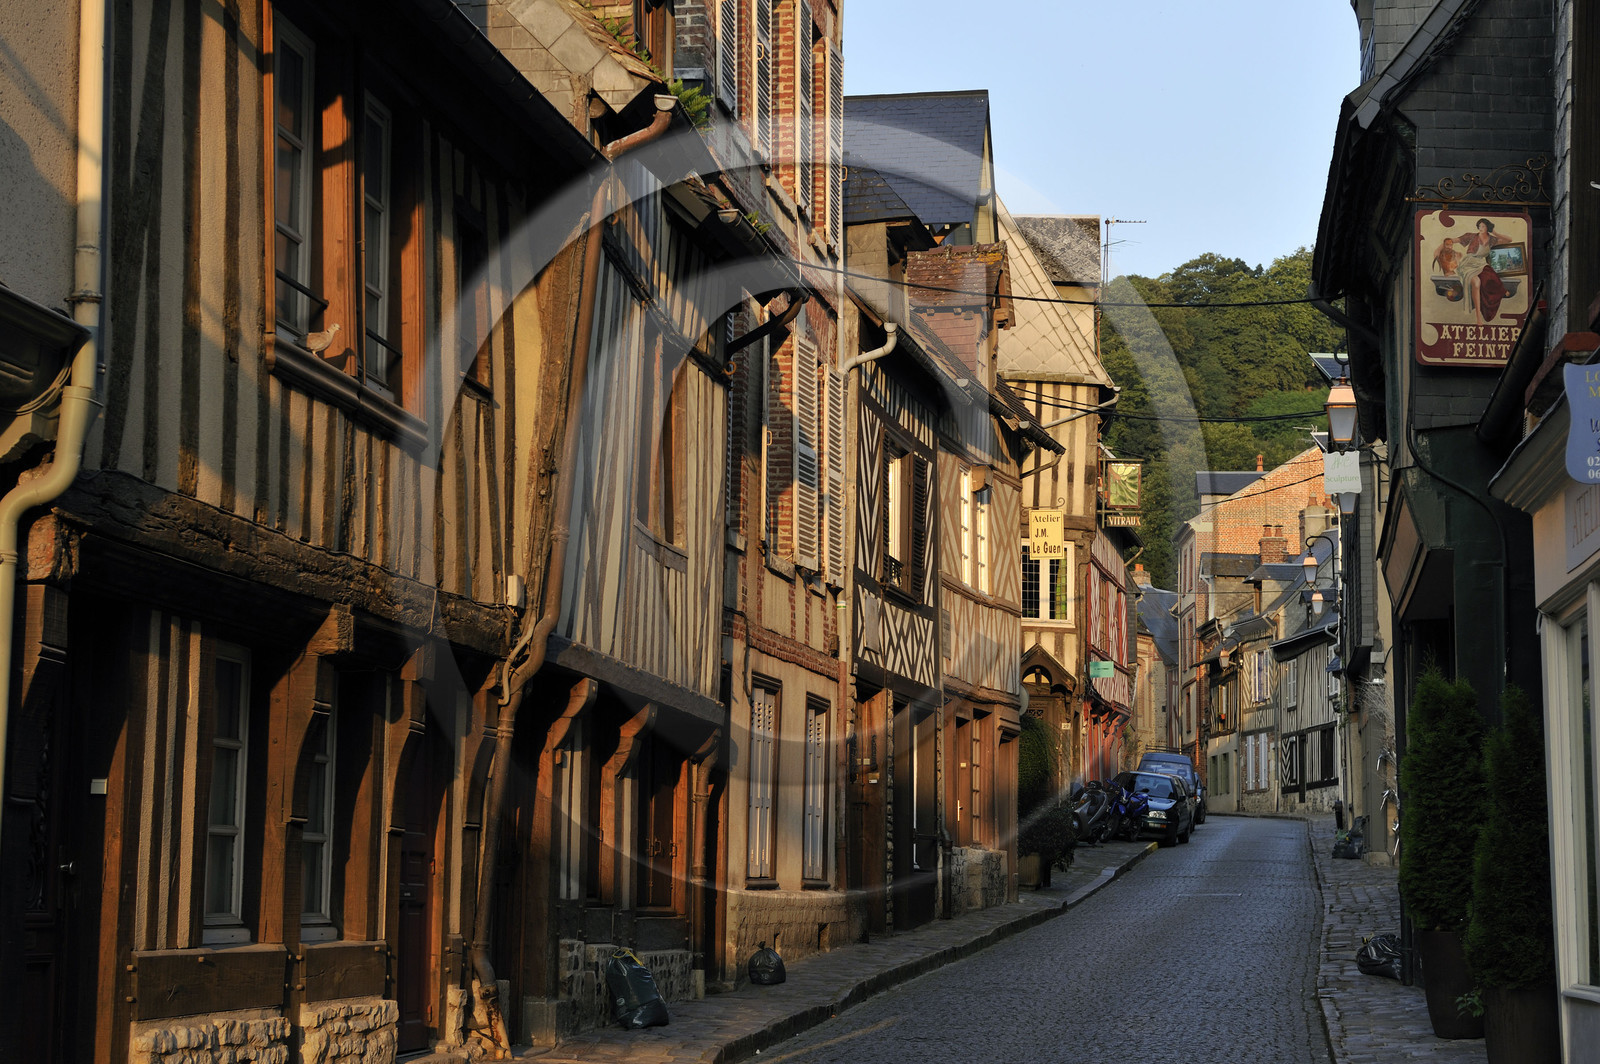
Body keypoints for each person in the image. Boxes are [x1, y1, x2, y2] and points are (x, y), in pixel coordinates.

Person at [1450, 217, 1512, 325]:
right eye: (1479, 226)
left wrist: (1495, 232)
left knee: (1491, 276)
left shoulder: (1492, 240)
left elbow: (1509, 240)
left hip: (1480, 263)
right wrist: (1442, 247)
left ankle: (1501, 291)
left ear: (1488, 227)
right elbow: (1452, 241)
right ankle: (1478, 317)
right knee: (1477, 283)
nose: (1481, 228)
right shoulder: (1471, 236)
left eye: (1483, 226)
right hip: (1468, 264)